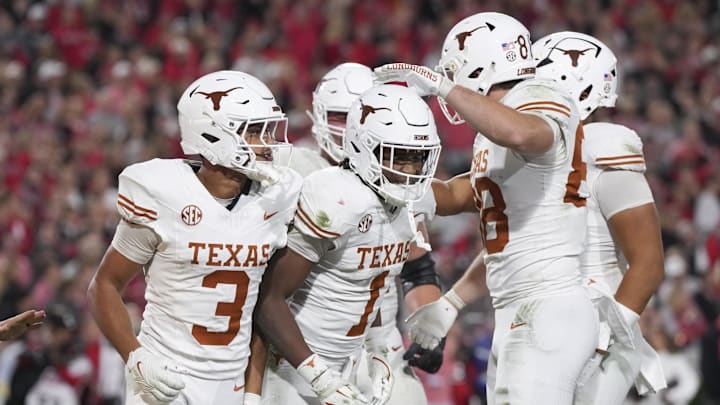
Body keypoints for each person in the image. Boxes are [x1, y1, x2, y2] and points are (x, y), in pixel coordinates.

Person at [374, 12, 598, 404]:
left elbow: (521, 132)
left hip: (548, 304)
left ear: (482, 64)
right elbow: (471, 201)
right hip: (523, 307)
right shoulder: (495, 133)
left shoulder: (536, 95)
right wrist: (400, 188)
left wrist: (442, 86)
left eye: (454, 71)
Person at [86, 70, 302, 405]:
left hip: (230, 380)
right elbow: (104, 285)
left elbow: (262, 307)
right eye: (254, 131)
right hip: (166, 376)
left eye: (267, 130)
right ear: (213, 136)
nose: (268, 143)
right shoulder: (163, 193)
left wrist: (253, 392)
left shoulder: (277, 197)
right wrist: (136, 357)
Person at [244, 64, 443, 405]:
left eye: (415, 158)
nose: (409, 168)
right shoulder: (306, 177)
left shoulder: (404, 193)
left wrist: (403, 337)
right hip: (302, 352)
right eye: (340, 114)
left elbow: (404, 273)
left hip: (369, 342)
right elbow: (267, 293)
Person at [531, 31, 666, 403]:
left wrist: (607, 336)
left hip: (596, 318)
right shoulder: (542, 152)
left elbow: (649, 261)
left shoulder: (602, 146)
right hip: (540, 319)